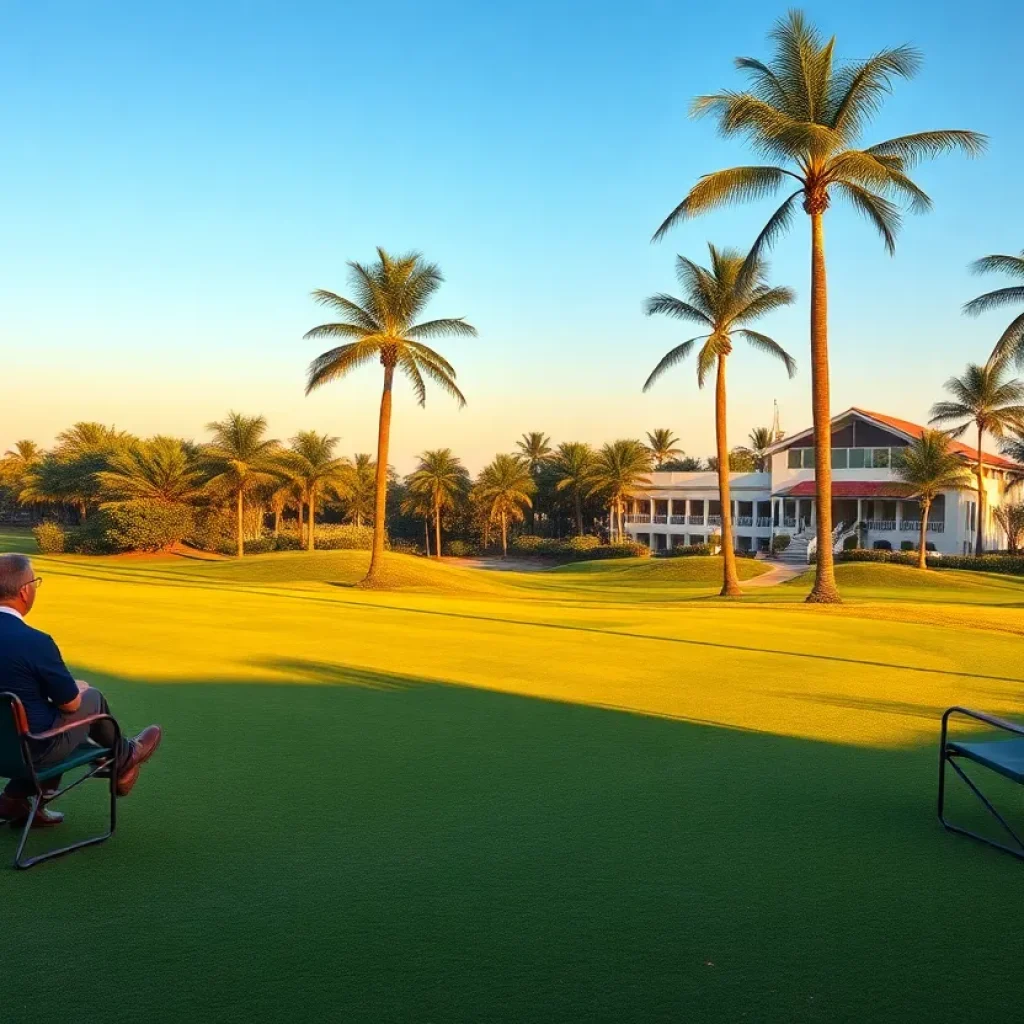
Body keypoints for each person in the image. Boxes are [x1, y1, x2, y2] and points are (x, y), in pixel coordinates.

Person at [0, 552, 161, 828]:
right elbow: (71, 706)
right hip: (32, 753)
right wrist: (79, 689)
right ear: (25, 591)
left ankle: (14, 799)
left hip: (8, 747)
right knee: (91, 698)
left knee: (39, 714)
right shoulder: (34, 642)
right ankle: (124, 758)